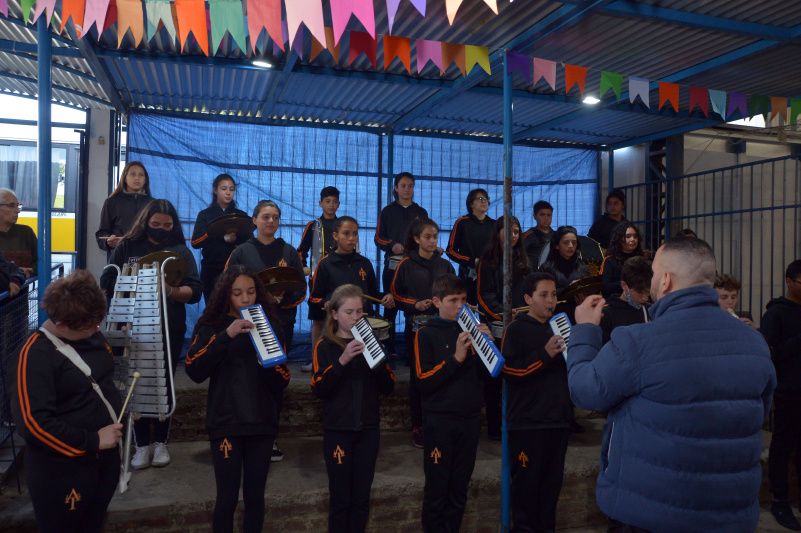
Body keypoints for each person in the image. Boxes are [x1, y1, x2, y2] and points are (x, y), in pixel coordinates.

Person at [568, 236, 776, 532]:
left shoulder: (639, 341)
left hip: (650, 511)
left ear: (665, 281)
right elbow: (759, 410)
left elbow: (586, 391)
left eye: (653, 273)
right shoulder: (755, 343)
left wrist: (586, 330)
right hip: (731, 512)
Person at [10, 271, 123, 533]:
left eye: (98, 322)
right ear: (60, 322)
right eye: (89, 326)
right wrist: (93, 440)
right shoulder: (34, 355)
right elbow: (33, 424)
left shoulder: (91, 334)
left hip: (102, 463)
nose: (96, 330)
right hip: (62, 473)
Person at [185, 266, 289, 533]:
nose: (246, 299)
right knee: (227, 498)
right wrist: (226, 336)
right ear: (226, 295)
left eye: (251, 292)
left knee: (255, 498)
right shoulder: (211, 325)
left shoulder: (270, 324)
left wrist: (266, 355)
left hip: (261, 423)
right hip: (226, 422)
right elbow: (194, 369)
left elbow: (282, 380)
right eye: (238, 293)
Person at [100, 199, 202, 470]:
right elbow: (108, 281)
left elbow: (194, 292)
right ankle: (141, 445)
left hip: (169, 327)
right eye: (155, 224)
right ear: (145, 222)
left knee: (163, 382)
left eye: (166, 226)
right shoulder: (127, 246)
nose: (160, 229)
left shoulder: (181, 250)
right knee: (133, 385)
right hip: (132, 327)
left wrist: (170, 290)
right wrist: (121, 314)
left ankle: (161, 445)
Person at [311, 284, 395, 533]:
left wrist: (375, 358)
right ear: (335, 314)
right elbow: (319, 388)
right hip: (339, 429)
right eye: (350, 312)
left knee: (361, 499)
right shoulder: (324, 345)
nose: (356, 317)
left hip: (368, 428)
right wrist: (343, 359)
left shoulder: (372, 342)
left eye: (360, 312)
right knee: (340, 500)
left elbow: (388, 387)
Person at [226, 199, 305, 462]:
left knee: (274, 383)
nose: (271, 221)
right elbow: (227, 287)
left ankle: (270, 438)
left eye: (275, 217)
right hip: (248, 328)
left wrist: (284, 299)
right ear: (255, 220)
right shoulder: (241, 252)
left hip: (281, 326)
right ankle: (244, 435)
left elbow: (301, 289)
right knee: (247, 382)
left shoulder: (290, 252)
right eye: (266, 217)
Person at [414, 274, 491, 533]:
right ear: (436, 301)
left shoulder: (471, 330)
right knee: (437, 491)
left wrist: (487, 346)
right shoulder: (425, 334)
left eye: (464, 300)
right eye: (453, 300)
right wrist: (456, 358)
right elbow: (424, 381)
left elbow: (490, 376)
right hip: (440, 422)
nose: (460, 306)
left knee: (459, 490)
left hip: (469, 420)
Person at [501, 272, 572, 533]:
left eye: (554, 295)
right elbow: (511, 372)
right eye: (543, 295)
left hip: (558, 422)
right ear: (528, 298)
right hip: (528, 425)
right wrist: (545, 354)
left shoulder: (560, 329)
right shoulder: (517, 329)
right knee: (526, 497)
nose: (550, 301)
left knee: (550, 495)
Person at [390, 218, 454, 448]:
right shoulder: (405, 265)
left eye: (435, 237)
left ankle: (440, 421)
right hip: (416, 329)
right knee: (419, 378)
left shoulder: (444, 265)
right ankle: (418, 425)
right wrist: (414, 304)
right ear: (417, 239)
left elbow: (453, 294)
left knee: (444, 374)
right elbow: (395, 295)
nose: (432, 241)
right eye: (427, 237)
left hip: (443, 329)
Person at [476, 215, 529, 441]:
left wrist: (523, 310)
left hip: (519, 324)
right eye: (508, 231)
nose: (513, 236)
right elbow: (482, 294)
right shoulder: (487, 261)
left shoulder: (524, 261)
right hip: (495, 325)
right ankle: (494, 427)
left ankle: (517, 421)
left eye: (516, 232)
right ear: (497, 233)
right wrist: (501, 312)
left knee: (518, 377)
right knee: (494, 379)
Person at [761, 260, 801, 530]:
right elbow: (769, 354)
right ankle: (780, 500)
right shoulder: (776, 313)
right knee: (783, 446)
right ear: (789, 281)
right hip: (789, 390)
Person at [374, 172, 429, 355]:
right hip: (392, 268)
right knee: (390, 307)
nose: (407, 189)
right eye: (403, 185)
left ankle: (411, 353)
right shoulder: (387, 211)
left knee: (412, 308)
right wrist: (392, 245)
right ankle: (387, 351)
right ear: (396, 188)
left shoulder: (421, 213)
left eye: (410, 186)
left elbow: (425, 236)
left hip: (415, 269)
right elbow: (378, 238)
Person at [309, 216, 394, 320]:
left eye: (355, 234)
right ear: (335, 236)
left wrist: (385, 297)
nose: (351, 238)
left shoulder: (365, 263)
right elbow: (314, 298)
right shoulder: (325, 264)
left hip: (363, 320)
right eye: (346, 233)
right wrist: (325, 302)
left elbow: (372, 294)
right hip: (337, 323)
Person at [190, 173, 252, 301]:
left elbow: (249, 243)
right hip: (211, 270)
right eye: (224, 189)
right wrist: (220, 236)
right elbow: (195, 242)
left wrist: (237, 239)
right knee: (213, 311)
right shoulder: (205, 215)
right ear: (215, 190)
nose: (228, 192)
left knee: (234, 309)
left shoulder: (240, 215)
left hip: (235, 271)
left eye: (231, 189)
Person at [299, 186, 342, 346]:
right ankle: (315, 358)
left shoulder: (343, 225)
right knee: (318, 319)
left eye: (335, 202)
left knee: (339, 318)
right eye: (327, 201)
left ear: (339, 204)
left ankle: (336, 355)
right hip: (317, 278)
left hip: (339, 278)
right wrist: (303, 266)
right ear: (320, 203)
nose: (331, 205)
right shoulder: (313, 225)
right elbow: (301, 250)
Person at [95, 161, 153, 260]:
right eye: (133, 174)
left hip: (147, 257)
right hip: (119, 256)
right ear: (125, 178)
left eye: (141, 175)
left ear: (145, 180)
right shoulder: (111, 202)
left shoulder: (153, 203)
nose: (137, 178)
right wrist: (108, 242)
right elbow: (102, 233)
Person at [446, 188, 494, 304]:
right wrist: (472, 261)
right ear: (471, 203)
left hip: (489, 276)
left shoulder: (494, 224)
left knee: (488, 312)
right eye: (481, 199)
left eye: (486, 199)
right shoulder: (462, 222)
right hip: (468, 276)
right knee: (466, 312)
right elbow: (450, 250)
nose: (484, 201)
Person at [599, 256, 651, 344]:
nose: (645, 298)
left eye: (648, 292)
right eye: (640, 292)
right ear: (624, 285)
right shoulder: (606, 315)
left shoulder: (650, 309)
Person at [600, 222, 646, 298]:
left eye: (635, 236)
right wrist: (624, 283)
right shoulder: (610, 260)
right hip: (617, 302)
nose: (633, 239)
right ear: (619, 238)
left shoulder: (641, 259)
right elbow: (605, 289)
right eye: (628, 236)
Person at [0, 188, 37, 277]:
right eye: (12, 205)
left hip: (24, 289)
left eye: (18, 206)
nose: (18, 210)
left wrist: (31, 270)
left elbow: (42, 260)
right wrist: (16, 273)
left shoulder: (26, 232)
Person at [539, 226, 589, 291]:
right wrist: (570, 288)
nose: (571, 246)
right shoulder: (546, 268)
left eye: (574, 243)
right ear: (557, 246)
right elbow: (544, 293)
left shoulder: (581, 266)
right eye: (566, 243)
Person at [523, 200, 554, 269]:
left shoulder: (557, 235)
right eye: (542, 215)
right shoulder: (529, 235)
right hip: (534, 275)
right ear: (534, 216)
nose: (546, 218)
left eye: (549, 215)